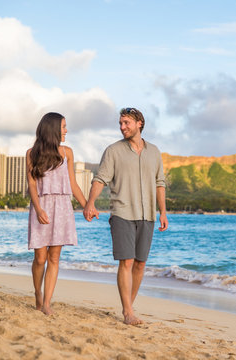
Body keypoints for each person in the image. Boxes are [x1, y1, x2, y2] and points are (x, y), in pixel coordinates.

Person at [83, 107, 168, 325]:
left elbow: (160, 184)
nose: (122, 127)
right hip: (122, 212)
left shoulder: (154, 152)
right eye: (120, 123)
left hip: (147, 214)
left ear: (139, 123)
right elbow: (100, 179)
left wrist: (163, 213)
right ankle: (128, 312)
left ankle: (128, 306)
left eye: (126, 123)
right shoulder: (113, 151)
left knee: (140, 263)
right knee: (127, 261)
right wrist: (90, 203)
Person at [26, 112, 87, 315]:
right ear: (53, 129)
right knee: (40, 258)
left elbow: (72, 184)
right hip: (41, 206)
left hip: (62, 208)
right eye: (63, 126)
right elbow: (32, 186)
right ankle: (37, 293)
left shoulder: (67, 152)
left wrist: (87, 205)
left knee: (54, 258)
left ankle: (47, 303)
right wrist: (38, 208)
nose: (66, 130)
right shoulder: (31, 154)